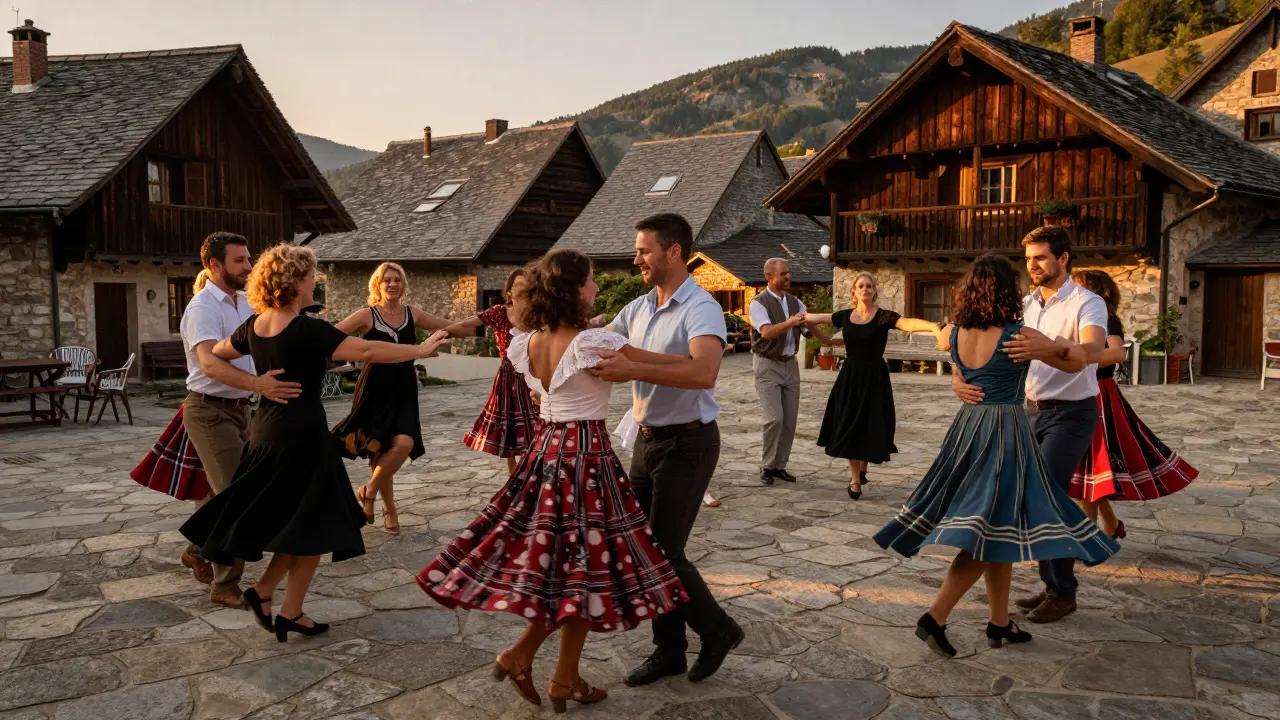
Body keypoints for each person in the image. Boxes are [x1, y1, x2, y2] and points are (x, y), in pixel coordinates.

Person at [417, 249, 688, 713]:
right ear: (574, 289)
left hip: (546, 453)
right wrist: (702, 355)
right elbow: (662, 364)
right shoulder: (591, 341)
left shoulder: (526, 341)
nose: (597, 288)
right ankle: (550, 670)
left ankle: (549, 668)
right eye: (591, 282)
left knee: (570, 571)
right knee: (583, 569)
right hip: (585, 457)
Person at [181, 244, 451, 641]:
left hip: (266, 429)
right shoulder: (305, 329)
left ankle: (279, 603)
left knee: (308, 523)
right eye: (311, 276)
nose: (315, 282)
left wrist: (256, 383)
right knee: (317, 521)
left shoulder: (254, 325)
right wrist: (421, 349)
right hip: (301, 435)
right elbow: (368, 349)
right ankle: (274, 599)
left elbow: (212, 355)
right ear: (294, 282)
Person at [874, 254, 1119, 658]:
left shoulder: (953, 331)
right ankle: (935, 615)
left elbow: (948, 351)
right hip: (1004, 431)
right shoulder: (1017, 335)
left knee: (999, 529)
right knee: (990, 533)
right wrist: (1057, 346)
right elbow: (1077, 364)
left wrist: (957, 378)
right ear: (1006, 290)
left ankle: (999, 622)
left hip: (968, 428)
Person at [587, 213, 744, 687]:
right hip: (647, 441)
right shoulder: (636, 309)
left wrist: (632, 366)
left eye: (644, 250)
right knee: (645, 550)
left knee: (663, 553)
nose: (637, 259)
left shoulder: (702, 308)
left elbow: (703, 374)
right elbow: (597, 340)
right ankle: (669, 651)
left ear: (672, 251)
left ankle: (718, 630)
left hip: (689, 443)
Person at [951, 226, 1109, 624]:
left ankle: (1062, 591)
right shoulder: (1024, 305)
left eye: (1040, 257)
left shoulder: (1087, 303)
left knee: (1045, 495)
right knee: (1028, 497)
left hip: (1072, 412)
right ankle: (1052, 582)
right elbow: (975, 340)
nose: (1032, 265)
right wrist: (958, 376)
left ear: (1063, 259)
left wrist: (1051, 348)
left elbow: (1094, 349)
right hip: (1027, 411)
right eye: (1028, 259)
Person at [178, 232, 302, 608]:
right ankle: (225, 585)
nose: (249, 267)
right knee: (237, 494)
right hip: (208, 410)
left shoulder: (248, 302)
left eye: (249, 260)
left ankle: (199, 548)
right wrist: (257, 384)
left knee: (227, 489)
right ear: (214, 266)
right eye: (240, 261)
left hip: (242, 409)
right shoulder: (202, 309)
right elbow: (210, 363)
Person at [1069, 270, 1198, 537]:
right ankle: (1112, 525)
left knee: (1093, 466)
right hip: (1077, 392)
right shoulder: (1080, 317)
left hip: (1100, 396)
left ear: (1099, 291)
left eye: (1081, 286)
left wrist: (1080, 357)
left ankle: (1087, 538)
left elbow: (1117, 353)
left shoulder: (1107, 317)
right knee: (1088, 470)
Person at [331, 262, 452, 535]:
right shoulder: (367, 315)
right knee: (380, 448)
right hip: (375, 386)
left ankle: (368, 491)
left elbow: (447, 326)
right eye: (387, 280)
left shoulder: (413, 313)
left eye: (397, 279)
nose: (392, 284)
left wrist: (484, 324)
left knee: (403, 443)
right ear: (378, 284)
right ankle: (389, 510)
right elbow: (331, 337)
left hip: (404, 387)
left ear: (403, 284)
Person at [804, 272, 941, 499]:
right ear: (855, 292)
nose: (865, 289)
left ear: (874, 290)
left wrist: (934, 327)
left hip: (875, 377)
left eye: (869, 286)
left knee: (868, 423)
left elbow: (906, 323)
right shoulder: (846, 316)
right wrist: (804, 319)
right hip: (850, 377)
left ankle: (863, 466)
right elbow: (821, 318)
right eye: (861, 286)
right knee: (850, 424)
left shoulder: (883, 317)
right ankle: (855, 479)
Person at [748, 258, 840, 486]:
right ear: (769, 277)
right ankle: (767, 465)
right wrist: (791, 322)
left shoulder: (795, 302)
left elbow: (809, 325)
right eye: (783, 274)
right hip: (767, 364)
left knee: (789, 420)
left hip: (790, 364)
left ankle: (780, 466)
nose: (788, 277)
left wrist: (829, 340)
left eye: (789, 273)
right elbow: (767, 333)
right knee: (774, 419)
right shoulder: (758, 303)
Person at [448, 269, 539, 475]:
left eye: (526, 286)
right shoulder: (499, 312)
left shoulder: (538, 313)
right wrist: (443, 332)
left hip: (532, 372)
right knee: (508, 421)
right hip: (508, 375)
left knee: (536, 421)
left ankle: (531, 465)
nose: (522, 289)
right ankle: (512, 468)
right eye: (518, 285)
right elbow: (468, 323)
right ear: (509, 290)